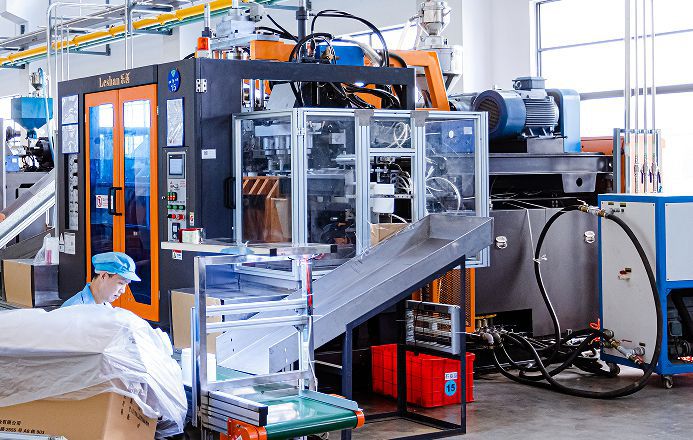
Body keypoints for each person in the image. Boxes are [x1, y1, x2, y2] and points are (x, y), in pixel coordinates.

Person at [61, 252, 140, 307]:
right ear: (104, 276)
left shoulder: (105, 305)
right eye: (121, 283)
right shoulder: (73, 310)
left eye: (126, 284)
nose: (123, 291)